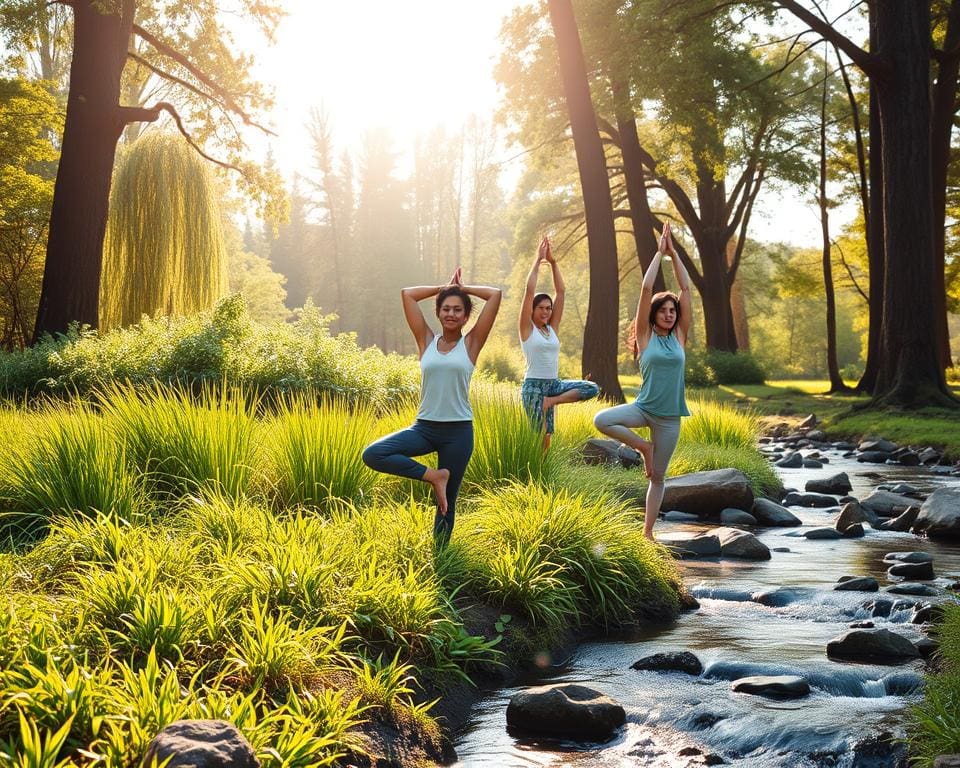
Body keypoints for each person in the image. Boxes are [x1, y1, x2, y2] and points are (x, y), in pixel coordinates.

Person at [362, 267, 501, 544]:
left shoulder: (472, 343)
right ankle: (435, 476)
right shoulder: (426, 340)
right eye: (446, 309)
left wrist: (463, 288)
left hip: (458, 432)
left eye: (457, 309)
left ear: (465, 315)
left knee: (447, 503)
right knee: (374, 454)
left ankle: (441, 558)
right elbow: (408, 295)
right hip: (424, 428)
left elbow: (495, 295)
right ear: (438, 312)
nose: (451, 314)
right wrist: (443, 288)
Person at [593, 222, 691, 540]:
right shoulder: (645, 337)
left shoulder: (679, 337)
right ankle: (642, 447)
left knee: (658, 478)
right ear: (653, 315)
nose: (669, 314)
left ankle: (647, 532)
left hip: (669, 419)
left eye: (672, 311)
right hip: (643, 408)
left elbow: (686, 291)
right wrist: (657, 254)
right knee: (602, 419)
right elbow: (646, 290)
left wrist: (674, 255)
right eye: (663, 310)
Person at [518, 235, 599, 450]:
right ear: (532, 310)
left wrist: (553, 262)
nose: (546, 311)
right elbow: (529, 291)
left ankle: (550, 402)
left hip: (553, 386)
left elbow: (561, 292)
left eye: (548, 308)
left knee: (591, 388)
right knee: (541, 437)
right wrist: (538, 261)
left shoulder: (551, 329)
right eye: (541, 308)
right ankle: (539, 472)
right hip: (534, 386)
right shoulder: (527, 329)